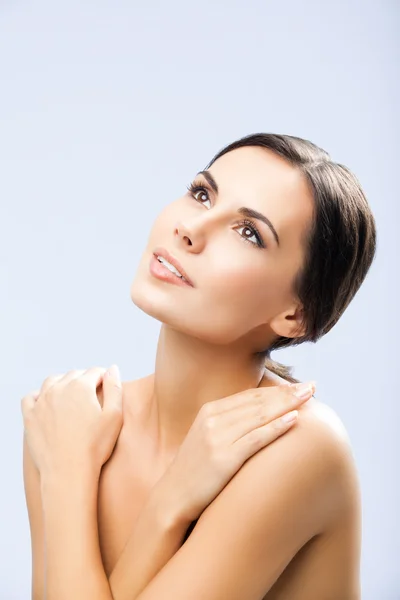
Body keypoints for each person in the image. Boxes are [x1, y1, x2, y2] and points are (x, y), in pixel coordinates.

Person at [22, 132, 376, 600]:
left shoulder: (299, 445)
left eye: (249, 232)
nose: (191, 228)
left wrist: (71, 480)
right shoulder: (72, 422)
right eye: (202, 193)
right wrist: (166, 506)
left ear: (296, 314)